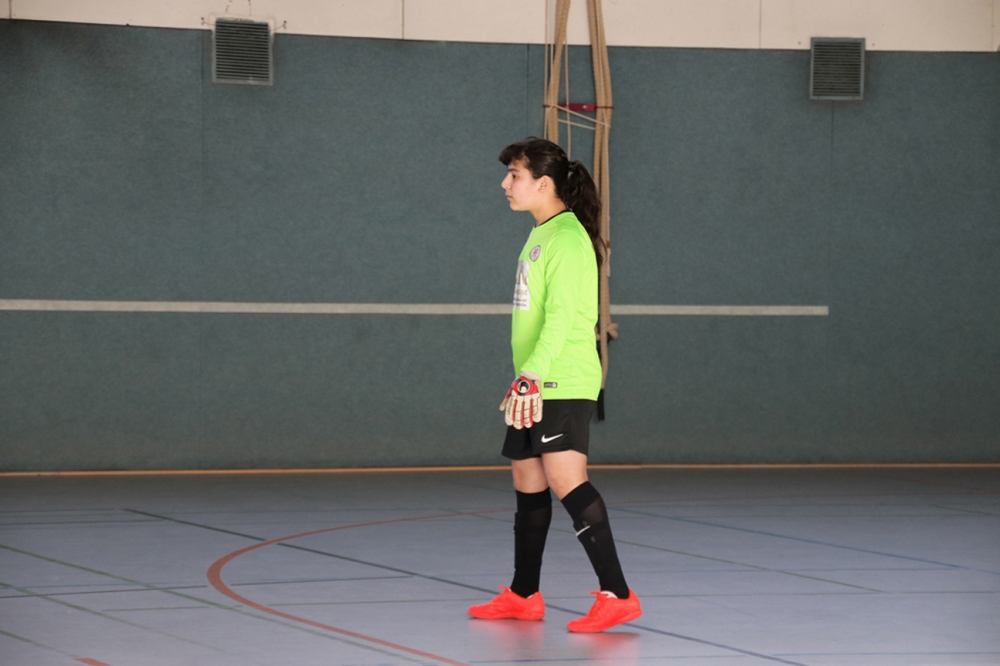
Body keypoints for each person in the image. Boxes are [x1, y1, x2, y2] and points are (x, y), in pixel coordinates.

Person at [468, 137, 642, 633]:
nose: (505, 184)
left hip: (559, 380)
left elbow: (564, 318)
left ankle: (618, 594)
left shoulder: (567, 238)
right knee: (528, 481)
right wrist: (528, 376)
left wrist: (533, 374)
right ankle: (524, 594)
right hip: (538, 380)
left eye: (515, 175)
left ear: (543, 184)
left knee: (568, 482)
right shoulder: (542, 233)